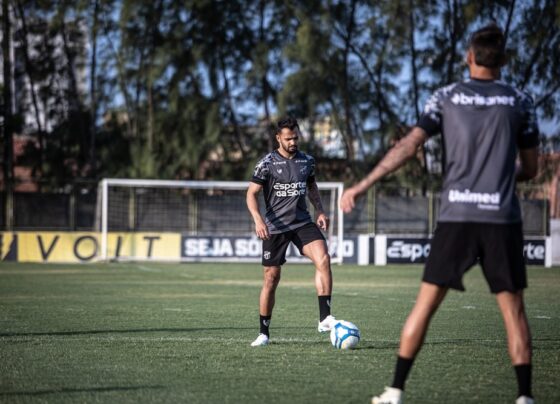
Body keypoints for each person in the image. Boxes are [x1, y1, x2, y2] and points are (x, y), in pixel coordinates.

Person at [340, 24, 539, 404]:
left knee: (425, 306)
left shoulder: (445, 97)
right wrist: (499, 174)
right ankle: (525, 397)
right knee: (514, 312)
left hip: (457, 217)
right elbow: (530, 169)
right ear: (505, 60)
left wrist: (362, 185)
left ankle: (395, 391)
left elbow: (409, 146)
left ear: (469, 56)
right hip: (501, 218)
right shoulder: (520, 101)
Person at [246, 116, 337, 347]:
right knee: (271, 278)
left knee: (324, 258)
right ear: (278, 138)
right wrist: (258, 220)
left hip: (302, 223)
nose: (293, 142)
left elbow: (312, 186)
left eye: (295, 137)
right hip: (275, 227)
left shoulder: (307, 161)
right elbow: (251, 194)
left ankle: (324, 318)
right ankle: (263, 332)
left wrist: (320, 211)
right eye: (288, 138)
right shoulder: (266, 163)